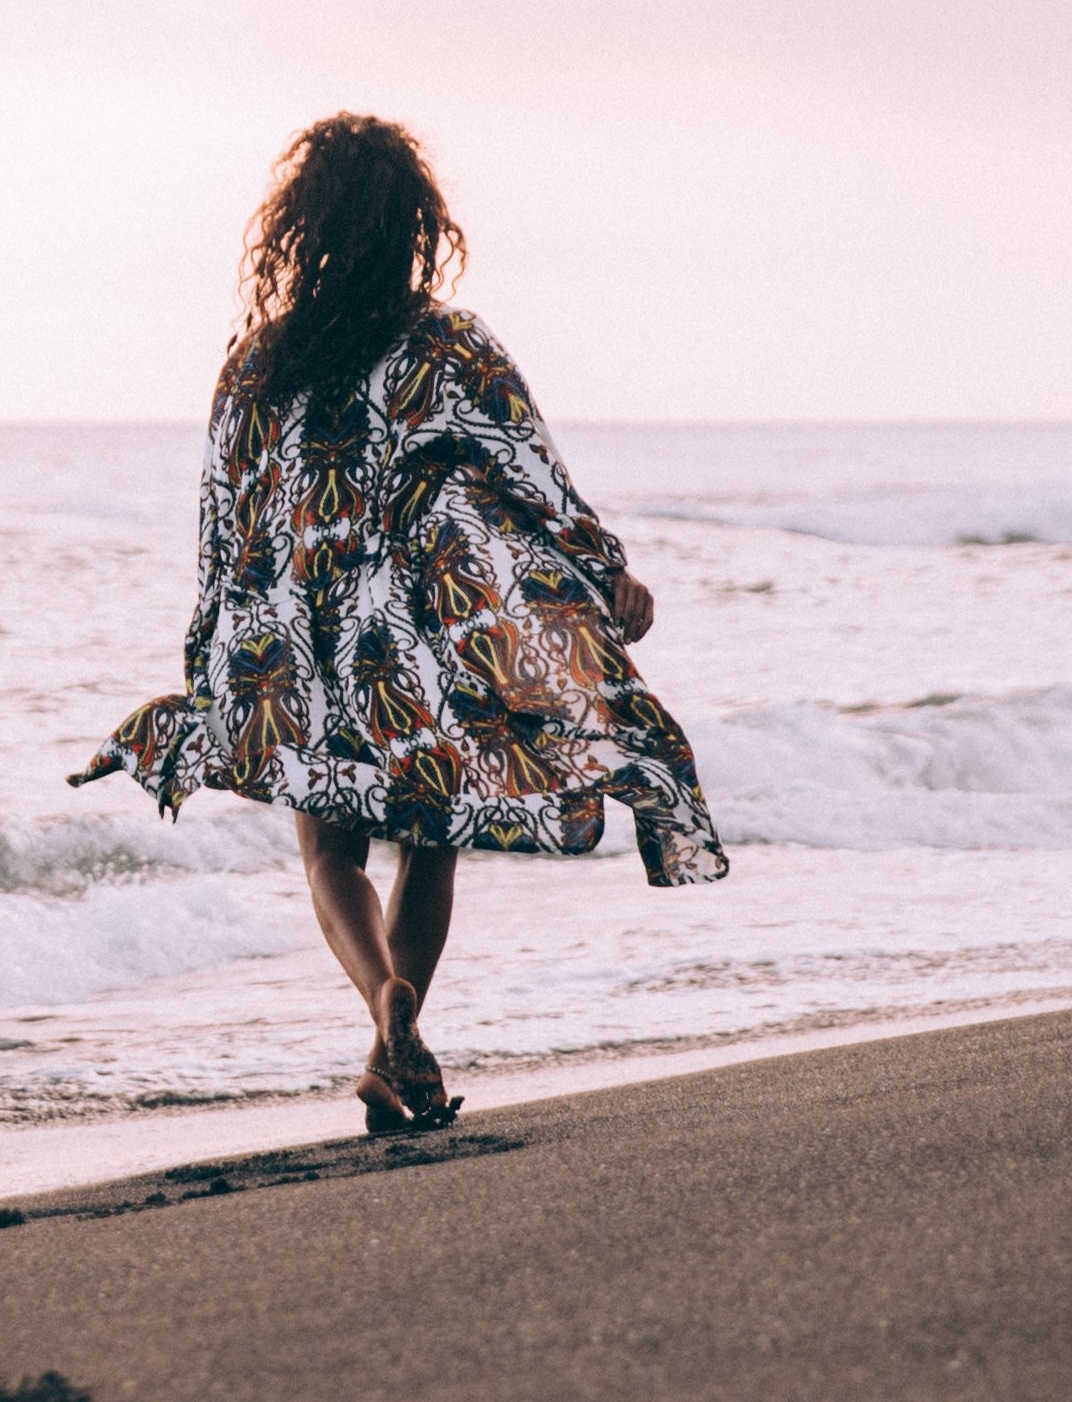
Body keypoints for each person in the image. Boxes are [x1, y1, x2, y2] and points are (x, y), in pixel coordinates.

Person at [77, 113, 728, 1135]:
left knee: (327, 851)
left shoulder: (255, 365)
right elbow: (528, 474)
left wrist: (217, 659)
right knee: (430, 840)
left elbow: (223, 523)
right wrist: (604, 575)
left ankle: (382, 1009)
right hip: (417, 630)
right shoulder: (448, 345)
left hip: (299, 630)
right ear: (414, 225)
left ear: (300, 227)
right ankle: (403, 1030)